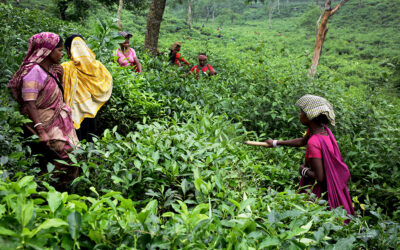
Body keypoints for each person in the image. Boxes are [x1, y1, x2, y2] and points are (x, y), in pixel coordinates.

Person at [256, 95, 355, 217]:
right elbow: (301, 142)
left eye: (301, 111)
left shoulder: (314, 142)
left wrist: (303, 170)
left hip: (319, 192)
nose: (300, 114)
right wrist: (276, 143)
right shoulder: (321, 130)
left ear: (309, 116)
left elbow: (319, 177)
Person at [8, 32, 80, 186]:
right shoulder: (34, 71)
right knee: (63, 155)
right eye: (59, 50)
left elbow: (55, 93)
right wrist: (40, 130)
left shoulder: (51, 70)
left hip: (57, 120)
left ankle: (63, 190)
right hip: (44, 122)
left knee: (73, 154)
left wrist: (59, 77)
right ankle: (49, 189)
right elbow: (29, 102)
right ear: (46, 51)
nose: (62, 54)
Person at [62, 34, 113, 142]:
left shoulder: (66, 67)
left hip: (74, 111)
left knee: (76, 142)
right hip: (90, 108)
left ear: (68, 50)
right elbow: (107, 82)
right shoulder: (97, 66)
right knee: (90, 140)